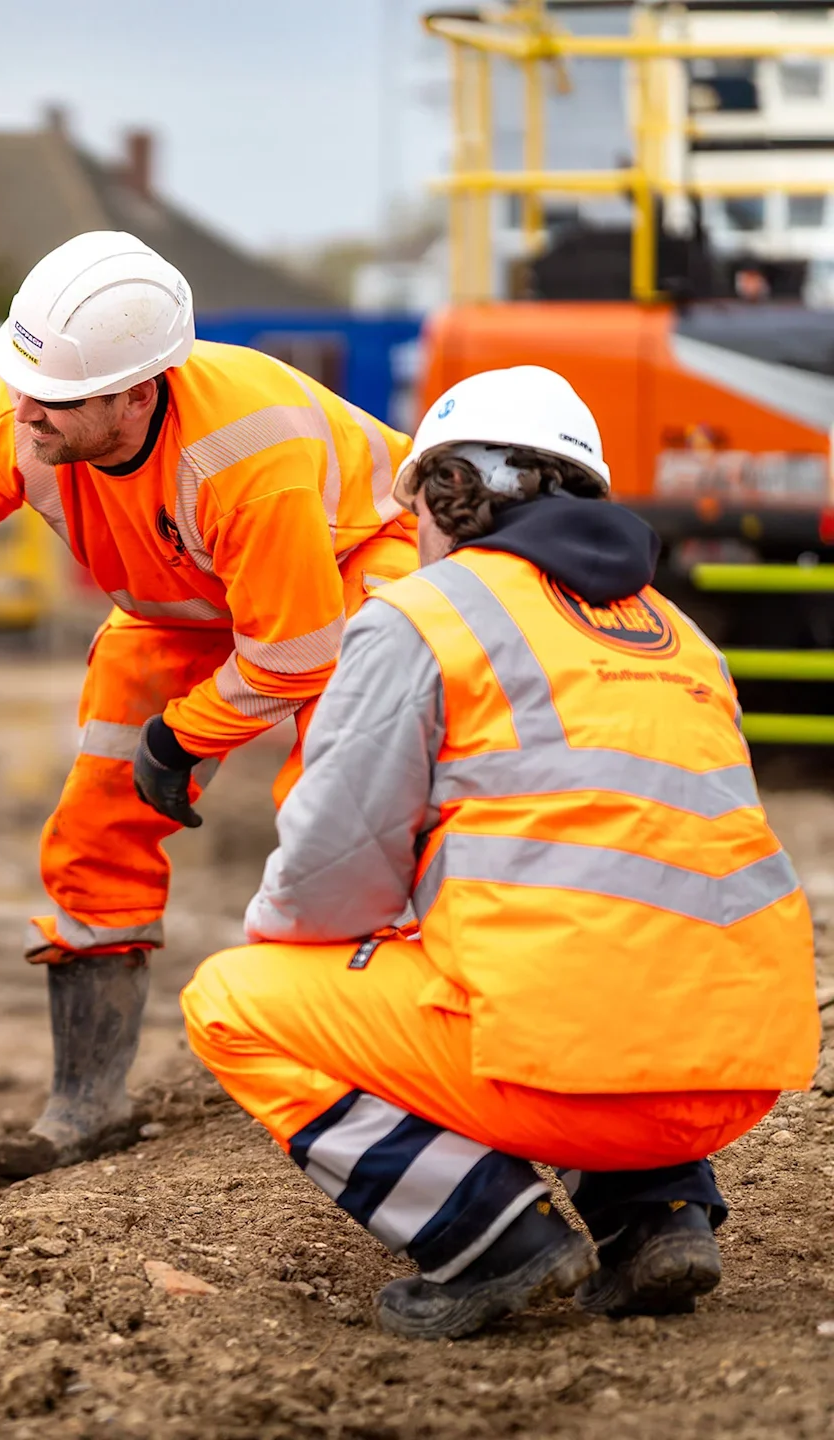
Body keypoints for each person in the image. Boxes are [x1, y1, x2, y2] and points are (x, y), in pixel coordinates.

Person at [181, 366, 819, 1340]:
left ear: (450, 495)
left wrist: (319, 948)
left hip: (571, 1081)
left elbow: (326, 879)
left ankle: (494, 1241)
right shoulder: (683, 637)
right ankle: (660, 1215)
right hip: (734, 1075)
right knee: (594, 945)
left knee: (234, 1001)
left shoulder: (425, 614)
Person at [0, 231, 417, 1177]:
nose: (24, 412)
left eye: (56, 400)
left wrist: (185, 736)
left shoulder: (246, 452)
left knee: (342, 821)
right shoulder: (21, 410)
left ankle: (382, 1078)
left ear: (137, 392)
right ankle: (87, 1103)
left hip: (349, 582)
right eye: (19, 382)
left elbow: (291, 655)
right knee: (92, 829)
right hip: (178, 610)